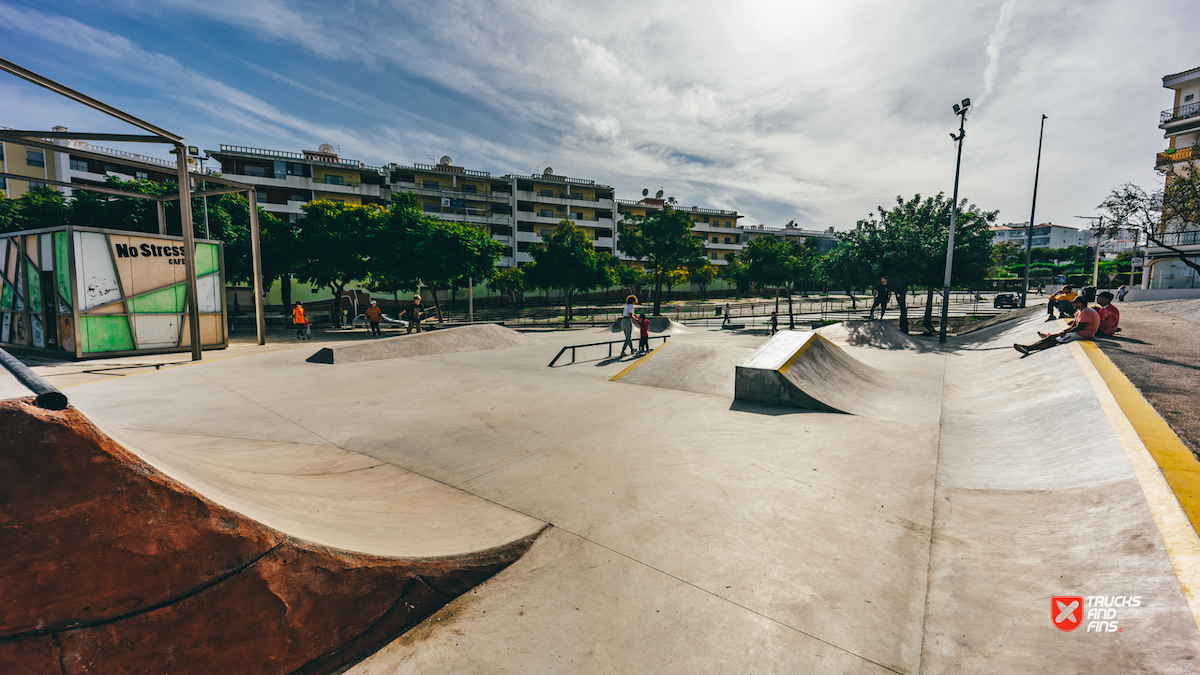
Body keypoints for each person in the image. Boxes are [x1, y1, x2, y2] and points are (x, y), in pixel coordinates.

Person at [1014, 296, 1098, 355]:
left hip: (1085, 334)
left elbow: (1080, 327)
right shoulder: (1079, 312)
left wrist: (1065, 332)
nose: (1073, 305)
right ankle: (1028, 347)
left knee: (1054, 340)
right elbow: (1074, 325)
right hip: (1078, 332)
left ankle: (1029, 349)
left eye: (1074, 303)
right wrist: (1063, 331)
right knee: (1052, 337)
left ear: (1079, 303)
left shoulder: (1087, 311)